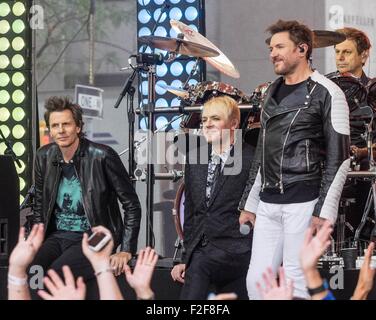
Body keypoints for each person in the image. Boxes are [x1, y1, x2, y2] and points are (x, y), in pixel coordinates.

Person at [238, 19, 350, 299]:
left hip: (304, 200)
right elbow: (264, 152)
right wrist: (249, 204)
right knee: (256, 283)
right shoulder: (271, 92)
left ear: (302, 49)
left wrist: (324, 211)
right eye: (271, 48)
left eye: (280, 47)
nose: (272, 53)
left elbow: (340, 157)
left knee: (298, 281)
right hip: (267, 203)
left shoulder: (328, 92)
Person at [30, 96, 141, 298]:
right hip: (57, 236)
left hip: (94, 236)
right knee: (33, 270)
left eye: (66, 124)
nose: (61, 130)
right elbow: (40, 204)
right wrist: (35, 241)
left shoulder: (102, 155)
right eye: (55, 125)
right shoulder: (43, 156)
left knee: (56, 274)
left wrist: (126, 249)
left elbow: (131, 204)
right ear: (50, 130)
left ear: (78, 127)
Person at [171, 95, 254, 300]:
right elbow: (190, 213)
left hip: (239, 251)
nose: (207, 124)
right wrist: (185, 258)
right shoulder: (195, 158)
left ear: (234, 123)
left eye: (215, 119)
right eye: (204, 120)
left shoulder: (251, 158)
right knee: (199, 265)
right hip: (202, 253)